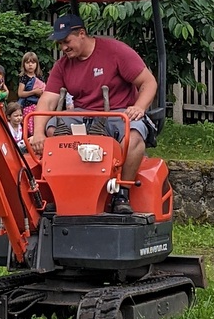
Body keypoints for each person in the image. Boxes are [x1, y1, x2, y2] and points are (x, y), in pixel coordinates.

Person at [28, 15, 159, 209]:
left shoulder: (116, 51)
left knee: (134, 135)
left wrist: (139, 107)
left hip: (119, 112)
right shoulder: (63, 66)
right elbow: (48, 99)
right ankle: (66, 188)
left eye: (66, 42)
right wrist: (38, 133)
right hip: (83, 114)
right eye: (60, 44)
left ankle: (122, 193)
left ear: (82, 34)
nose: (63, 48)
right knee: (53, 129)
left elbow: (148, 82)